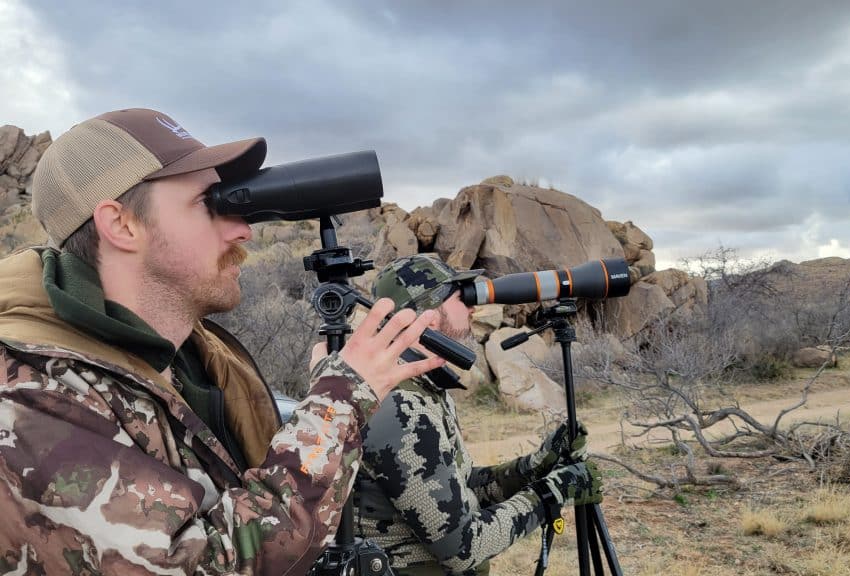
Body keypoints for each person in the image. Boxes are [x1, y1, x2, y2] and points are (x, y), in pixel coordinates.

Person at [0, 108, 445, 574]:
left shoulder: (193, 360)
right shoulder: (30, 398)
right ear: (122, 225)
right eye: (209, 202)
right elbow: (197, 564)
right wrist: (340, 403)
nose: (243, 229)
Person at [353, 254, 603, 575]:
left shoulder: (424, 388)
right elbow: (463, 547)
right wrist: (550, 494)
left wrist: (535, 466)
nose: (472, 308)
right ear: (428, 317)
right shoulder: (400, 404)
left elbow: (465, 485)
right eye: (461, 298)